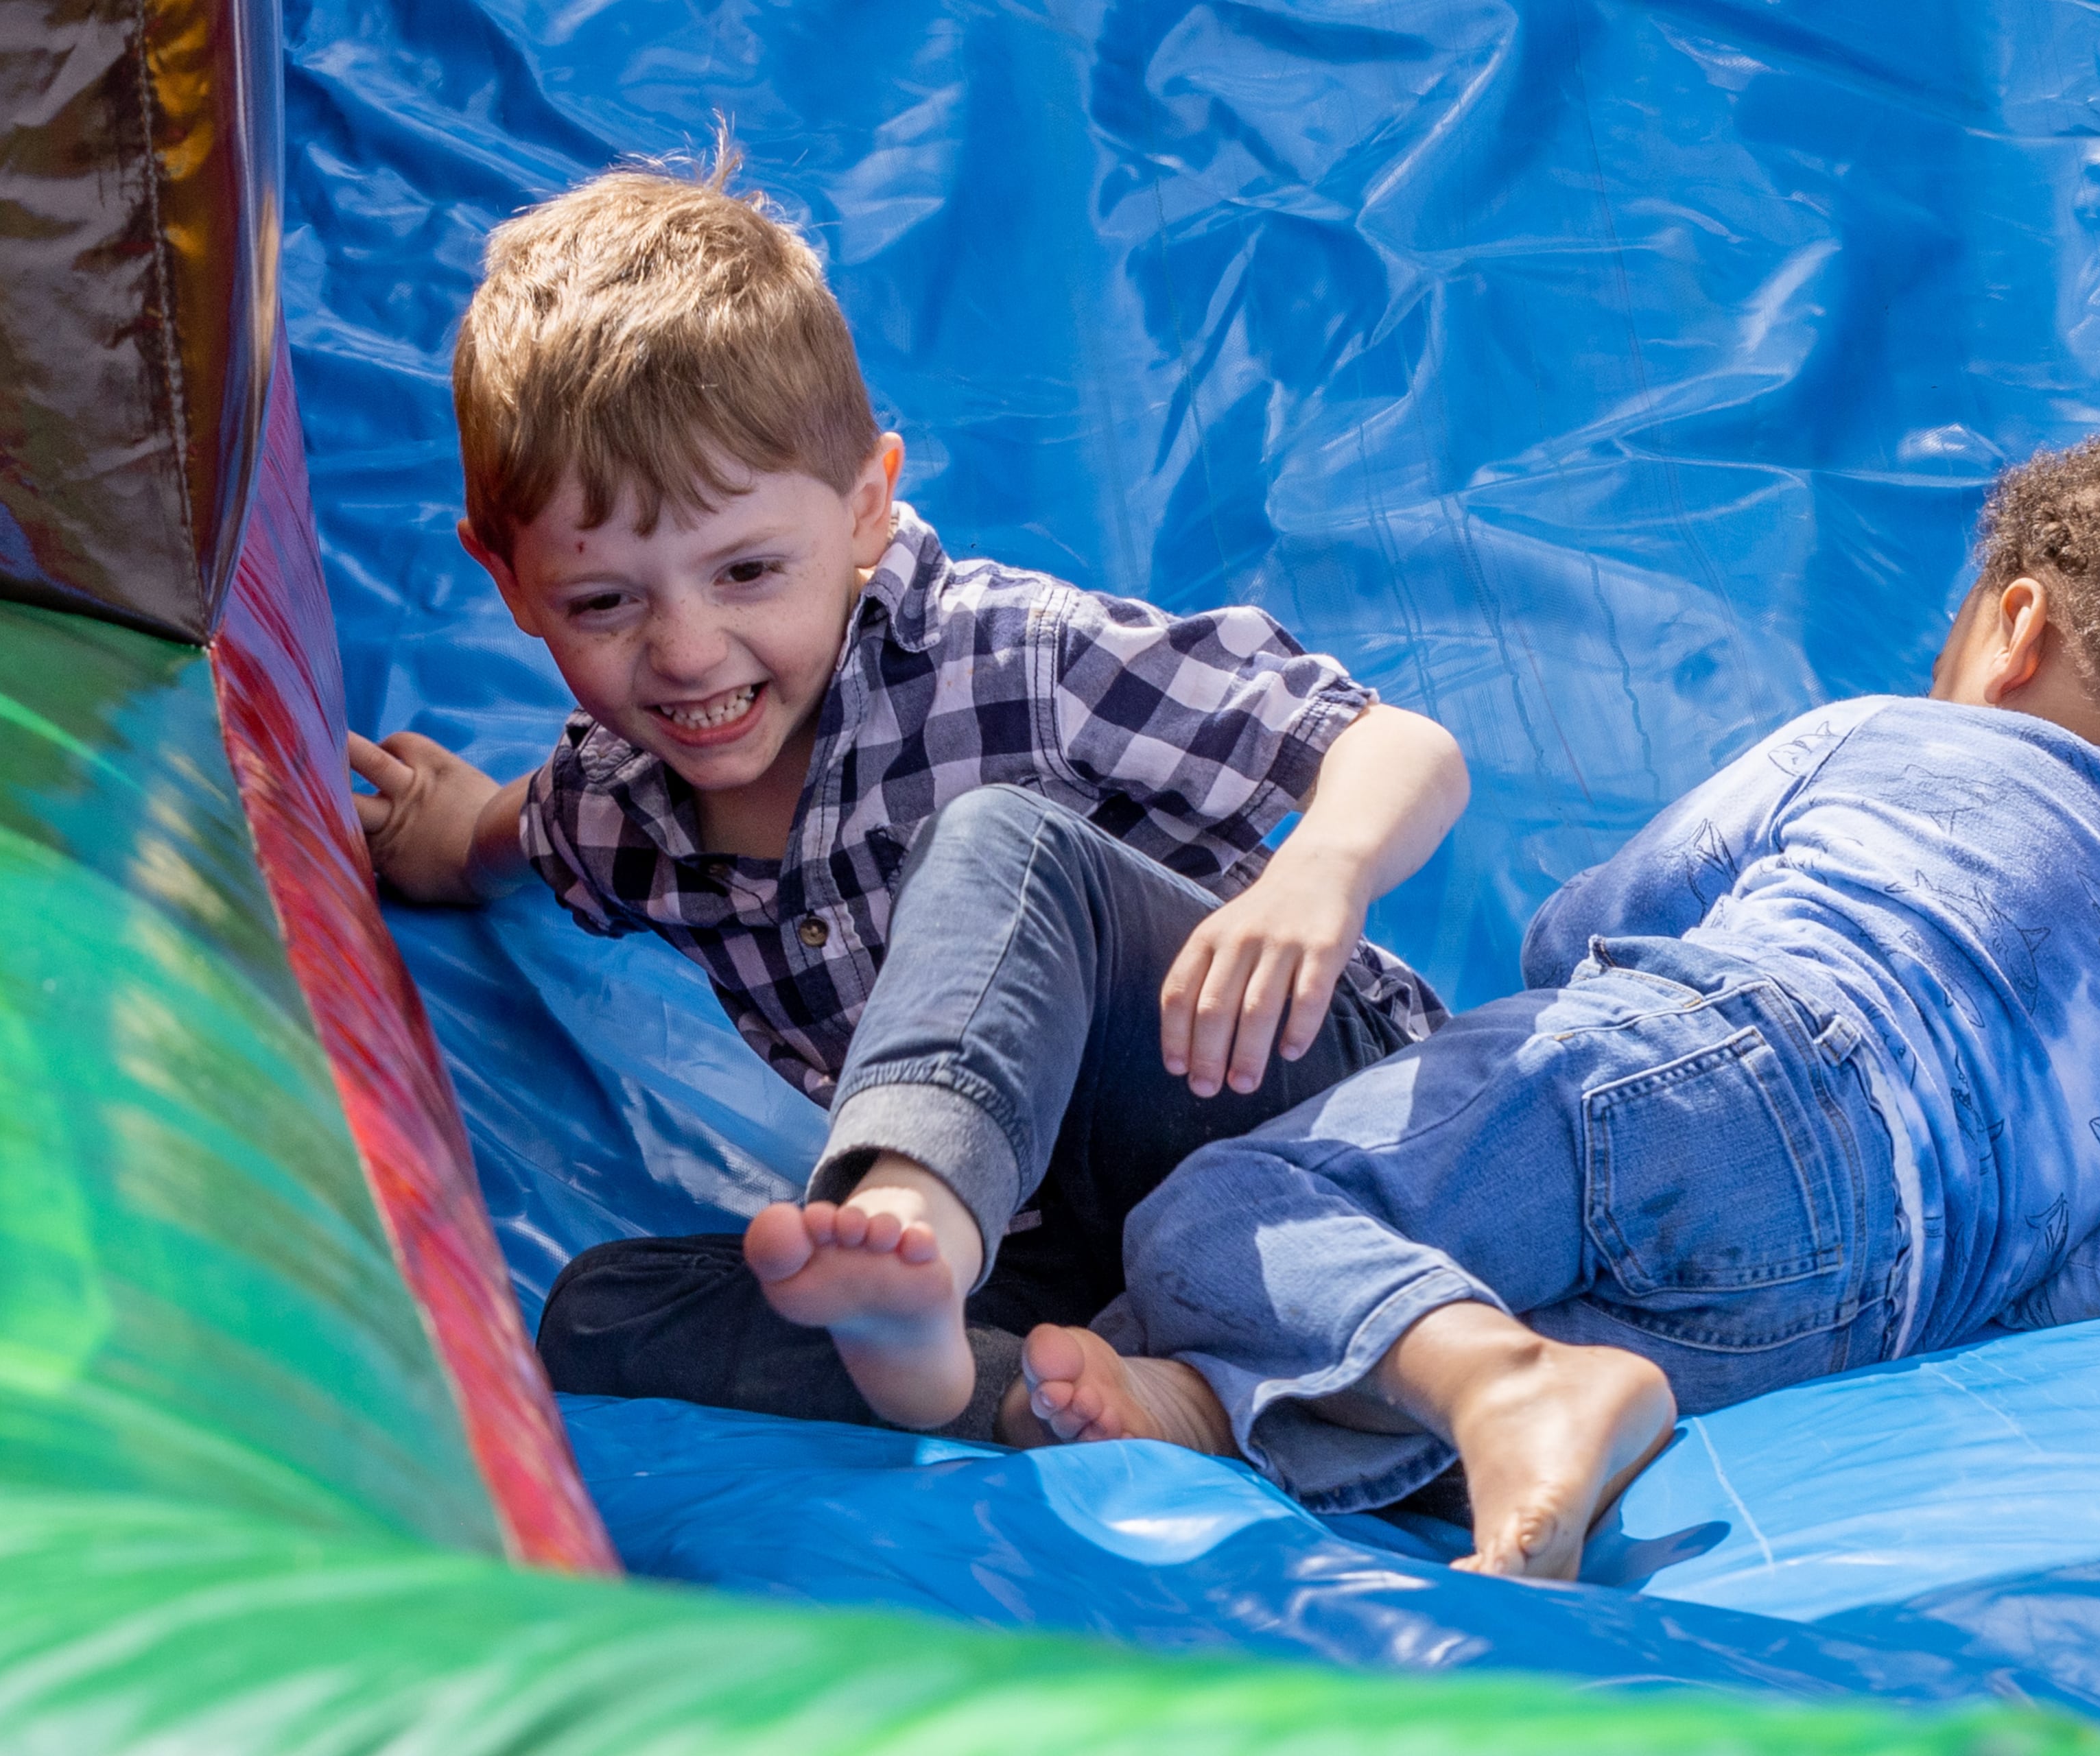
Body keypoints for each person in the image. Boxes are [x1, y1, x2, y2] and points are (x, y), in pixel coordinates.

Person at [1005, 431, 2100, 1582]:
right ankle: (1223, 1403)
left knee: (1233, 1206)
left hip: (1715, 1061)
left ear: (2016, 628)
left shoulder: (1889, 737)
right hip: (1866, 1308)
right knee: (1515, 1356)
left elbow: (1598, 920)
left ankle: (1345, 1374)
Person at [346, 147, 1467, 1437]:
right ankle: (1028, 1384)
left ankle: (965, 1253)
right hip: (1055, 1251)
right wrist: (442, 840)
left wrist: (1317, 870)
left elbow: (1401, 748)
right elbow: (518, 834)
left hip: (1285, 1117)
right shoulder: (627, 813)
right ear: (508, 580)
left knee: (1000, 846)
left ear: (869, 508)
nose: (689, 651)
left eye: (750, 573)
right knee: (599, 1312)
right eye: (603, 604)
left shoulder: (1009, 659)